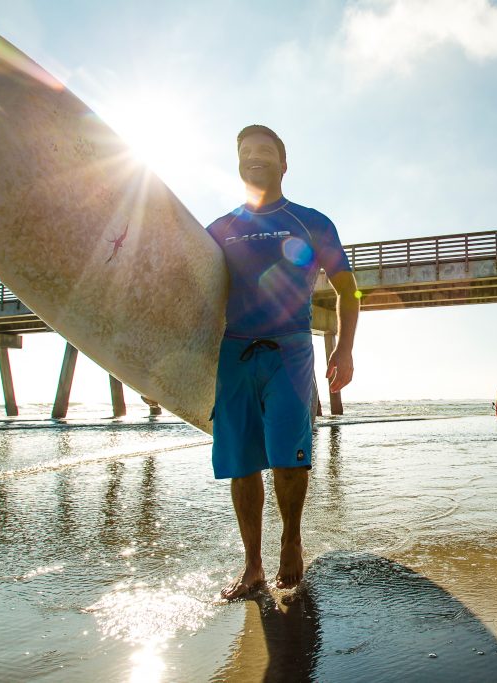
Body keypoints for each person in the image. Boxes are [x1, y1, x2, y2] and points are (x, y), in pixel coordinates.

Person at [207, 124, 359, 599]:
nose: (255, 156)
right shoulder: (218, 230)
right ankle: (252, 565)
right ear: (237, 163)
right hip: (233, 351)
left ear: (283, 162)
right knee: (242, 462)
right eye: (246, 151)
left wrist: (344, 347)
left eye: (265, 150)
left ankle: (290, 540)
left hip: (290, 350)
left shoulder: (309, 221)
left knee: (290, 459)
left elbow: (347, 290)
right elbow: (191, 299)